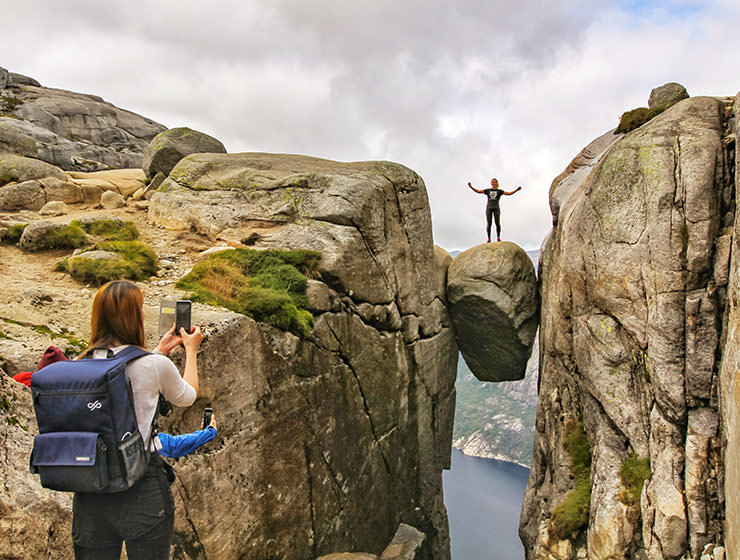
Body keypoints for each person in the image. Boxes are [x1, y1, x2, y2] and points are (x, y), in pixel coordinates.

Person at [71, 280, 203, 560]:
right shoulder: (155, 367)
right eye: (140, 310)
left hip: (91, 491)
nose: (144, 315)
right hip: (141, 488)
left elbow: (123, 373)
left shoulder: (79, 363)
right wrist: (191, 350)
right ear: (133, 318)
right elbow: (187, 395)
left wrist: (159, 351)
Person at [467, 178, 522, 242]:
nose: (493, 183)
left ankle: (498, 237)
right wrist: (471, 187)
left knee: (497, 223)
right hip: (489, 209)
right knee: (489, 224)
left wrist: (516, 190)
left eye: (494, 182)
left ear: (497, 183)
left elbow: (509, 193)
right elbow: (478, 191)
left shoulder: (499, 191)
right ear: (491, 183)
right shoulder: (488, 190)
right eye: (492, 182)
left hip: (496, 208)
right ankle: (489, 238)